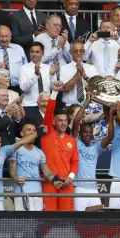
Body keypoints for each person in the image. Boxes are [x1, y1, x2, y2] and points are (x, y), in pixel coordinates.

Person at [71, 96, 115, 211]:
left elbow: (109, 137)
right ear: (80, 134)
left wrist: (110, 116)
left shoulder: (96, 147)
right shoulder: (76, 143)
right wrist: (87, 102)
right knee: (79, 220)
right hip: (79, 188)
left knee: (95, 221)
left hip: (93, 189)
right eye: (85, 133)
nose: (88, 135)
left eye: (90, 133)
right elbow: (76, 121)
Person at [40, 82, 79, 211]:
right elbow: (49, 112)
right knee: (49, 216)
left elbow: (75, 162)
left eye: (65, 121)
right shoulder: (47, 134)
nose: (63, 123)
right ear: (53, 122)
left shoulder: (72, 140)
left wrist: (70, 178)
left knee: (67, 217)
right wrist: (55, 93)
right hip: (50, 182)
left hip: (66, 183)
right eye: (60, 120)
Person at [8, 122, 61, 211]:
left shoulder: (39, 152)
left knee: (35, 223)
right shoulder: (15, 150)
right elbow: (12, 171)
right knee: (24, 223)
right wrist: (17, 180)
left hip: (37, 193)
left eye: (34, 130)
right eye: (29, 130)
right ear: (21, 133)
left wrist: (55, 180)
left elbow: (47, 171)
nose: (32, 132)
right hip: (22, 192)